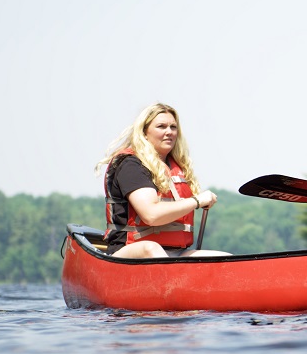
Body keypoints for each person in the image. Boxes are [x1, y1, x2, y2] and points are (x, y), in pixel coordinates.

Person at [96, 103, 229, 259]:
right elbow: (151, 215)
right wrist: (197, 201)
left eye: (173, 127)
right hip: (130, 252)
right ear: (144, 132)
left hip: (174, 253)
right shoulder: (131, 165)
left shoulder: (177, 166)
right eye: (161, 126)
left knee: (225, 259)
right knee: (152, 249)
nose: (169, 132)